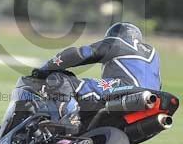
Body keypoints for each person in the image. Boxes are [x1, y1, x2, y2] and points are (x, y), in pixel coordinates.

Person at [32, 22, 161, 126]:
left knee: (59, 80)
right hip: (154, 100)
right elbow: (159, 83)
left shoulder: (117, 42)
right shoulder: (153, 53)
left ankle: (70, 119)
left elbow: (81, 54)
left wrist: (46, 68)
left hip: (124, 88)